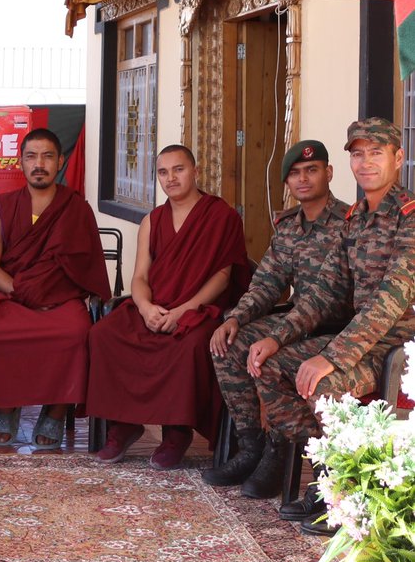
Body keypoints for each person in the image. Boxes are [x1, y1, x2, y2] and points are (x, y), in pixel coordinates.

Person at [249, 118, 415, 534]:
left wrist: (330, 357)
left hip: (400, 350)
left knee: (323, 384)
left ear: (398, 158)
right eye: (357, 153)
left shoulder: (410, 217)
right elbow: (324, 291)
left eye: (376, 153)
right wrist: (276, 336)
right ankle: (330, 478)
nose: (365, 162)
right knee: (272, 367)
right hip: (363, 344)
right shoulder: (355, 219)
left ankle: (350, 500)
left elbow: (390, 300)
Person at [202, 139, 351, 497]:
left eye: (312, 170)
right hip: (297, 323)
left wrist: (278, 336)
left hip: (339, 330)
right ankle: (252, 446)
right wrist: (236, 317)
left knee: (269, 357)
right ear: (287, 184)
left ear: (328, 173)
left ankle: (280, 450)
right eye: (295, 174)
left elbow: (326, 301)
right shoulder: (288, 228)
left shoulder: (349, 223)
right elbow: (267, 283)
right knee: (230, 344)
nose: (303, 179)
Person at [86, 144, 249, 470]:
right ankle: (124, 424)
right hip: (154, 305)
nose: (171, 178)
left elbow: (223, 276)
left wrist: (184, 310)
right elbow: (140, 275)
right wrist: (145, 308)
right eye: (163, 172)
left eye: (179, 169)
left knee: (190, 345)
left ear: (196, 172)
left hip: (199, 308)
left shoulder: (220, 215)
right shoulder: (153, 220)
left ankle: (177, 433)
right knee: (104, 334)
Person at [0, 128, 109, 448]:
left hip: (60, 298)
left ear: (60, 161)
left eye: (48, 156)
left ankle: (56, 412)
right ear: (21, 163)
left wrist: (46, 294)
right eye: (31, 157)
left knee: (76, 334)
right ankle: (6, 406)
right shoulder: (3, 206)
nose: (39, 164)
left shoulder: (76, 208)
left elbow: (86, 267)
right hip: (14, 294)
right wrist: (22, 291)